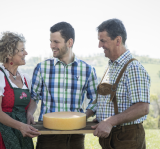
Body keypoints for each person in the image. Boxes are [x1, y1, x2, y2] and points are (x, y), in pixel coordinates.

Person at [27, 22, 98, 149]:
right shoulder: (42, 67)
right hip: (48, 134)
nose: (51, 46)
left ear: (69, 42)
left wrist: (82, 117)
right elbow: (34, 96)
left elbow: (95, 99)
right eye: (51, 41)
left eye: (56, 42)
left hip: (75, 136)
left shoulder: (87, 70)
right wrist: (30, 113)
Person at [91, 18, 150, 149]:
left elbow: (142, 107)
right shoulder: (112, 66)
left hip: (126, 137)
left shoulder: (133, 67)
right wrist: (96, 114)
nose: (99, 46)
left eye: (103, 41)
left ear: (118, 40)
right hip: (111, 137)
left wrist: (110, 121)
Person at [0, 32, 40, 149]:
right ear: (9, 54)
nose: (26, 53)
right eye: (22, 50)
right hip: (3, 134)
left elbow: (33, 99)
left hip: (22, 133)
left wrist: (29, 113)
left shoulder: (25, 77)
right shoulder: (0, 76)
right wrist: (20, 126)